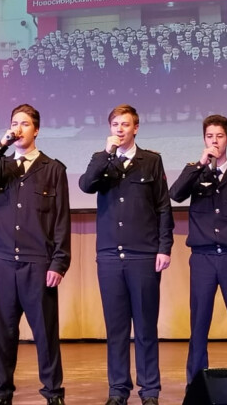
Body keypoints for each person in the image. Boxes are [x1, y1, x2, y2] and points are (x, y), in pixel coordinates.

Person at [0, 104, 70, 405]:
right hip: (3, 262)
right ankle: (1, 393)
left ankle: (53, 393)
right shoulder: (1, 166)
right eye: (14, 123)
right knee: (3, 332)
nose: (18, 129)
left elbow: (61, 220)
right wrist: (1, 144)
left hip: (38, 263)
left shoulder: (52, 169)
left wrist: (59, 263)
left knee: (45, 333)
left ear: (36, 130)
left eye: (24, 124)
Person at [78, 104, 173, 405]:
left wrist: (164, 247)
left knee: (145, 327)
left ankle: (150, 391)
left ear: (136, 128)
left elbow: (163, 206)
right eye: (115, 124)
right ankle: (118, 390)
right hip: (109, 256)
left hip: (143, 255)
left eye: (125, 124)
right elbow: (85, 185)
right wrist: (106, 154)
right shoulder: (101, 159)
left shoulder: (151, 161)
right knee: (116, 328)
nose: (119, 129)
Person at [168, 115, 227, 385]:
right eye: (210, 136)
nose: (214, 141)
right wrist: (200, 164)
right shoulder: (195, 171)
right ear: (204, 140)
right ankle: (197, 384)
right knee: (199, 325)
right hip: (203, 258)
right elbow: (175, 194)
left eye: (219, 136)